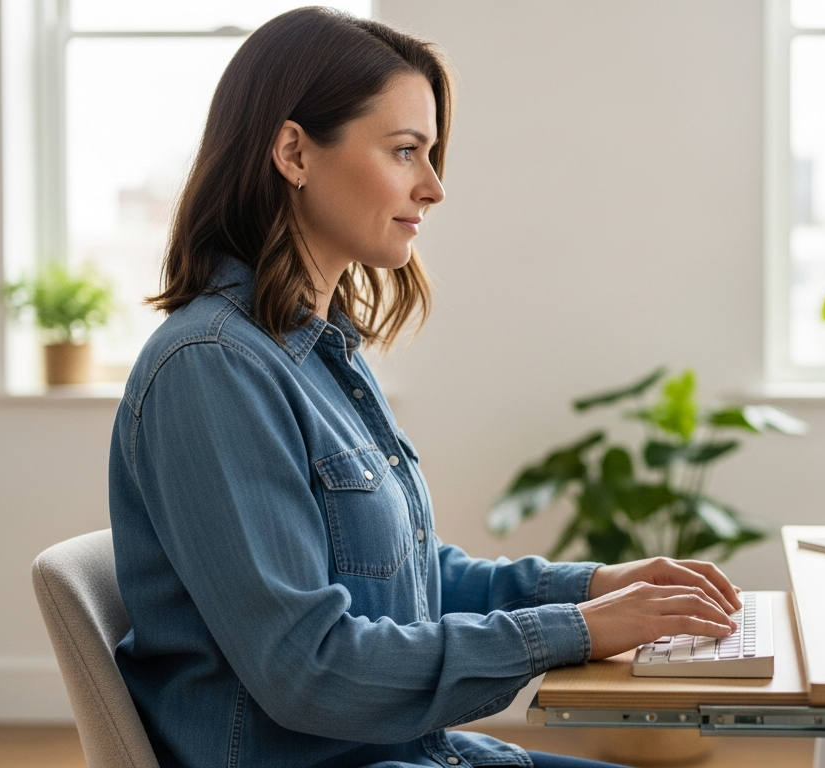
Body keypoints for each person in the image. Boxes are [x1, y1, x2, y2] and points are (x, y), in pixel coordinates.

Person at [108, 8, 740, 768]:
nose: (434, 188)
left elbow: (406, 580)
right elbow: (308, 669)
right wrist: (578, 630)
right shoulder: (212, 369)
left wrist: (594, 587)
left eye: (432, 154)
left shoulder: (314, 351)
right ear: (293, 152)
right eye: (406, 151)